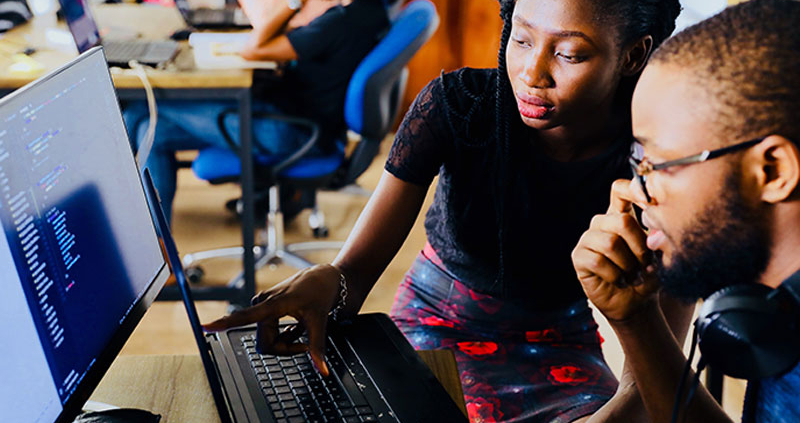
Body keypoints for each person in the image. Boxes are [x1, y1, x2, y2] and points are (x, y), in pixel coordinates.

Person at [204, 0, 689, 421]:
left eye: (568, 53)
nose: (531, 73)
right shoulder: (459, 108)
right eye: (520, 40)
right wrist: (330, 282)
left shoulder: (659, 161)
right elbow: (353, 273)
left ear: (633, 54)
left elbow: (650, 378)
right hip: (434, 323)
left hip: (559, 343)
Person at [571, 0, 800, 422]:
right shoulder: (774, 309)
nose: (633, 190)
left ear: (772, 171)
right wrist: (636, 321)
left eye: (658, 165)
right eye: (636, 161)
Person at [123, 0, 390, 221]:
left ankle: (130, 233)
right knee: (152, 131)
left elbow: (254, 49)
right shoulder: (371, 13)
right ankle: (162, 254)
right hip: (300, 122)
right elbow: (293, 34)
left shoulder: (338, 24)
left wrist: (293, 3)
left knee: (141, 108)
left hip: (288, 131)